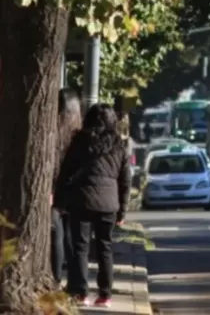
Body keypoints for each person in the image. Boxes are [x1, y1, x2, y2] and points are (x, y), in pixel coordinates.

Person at [55, 103, 131, 308]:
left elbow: (66, 171)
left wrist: (60, 200)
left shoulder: (80, 141)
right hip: (109, 203)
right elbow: (125, 181)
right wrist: (122, 210)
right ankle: (105, 295)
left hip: (82, 200)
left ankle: (81, 293)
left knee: (80, 247)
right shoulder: (119, 145)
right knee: (105, 248)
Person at [51, 89, 82, 286]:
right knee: (74, 238)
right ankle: (76, 284)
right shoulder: (79, 135)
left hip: (53, 191)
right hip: (75, 192)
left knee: (57, 236)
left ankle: (55, 279)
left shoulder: (50, 135)